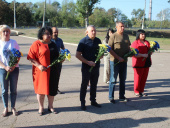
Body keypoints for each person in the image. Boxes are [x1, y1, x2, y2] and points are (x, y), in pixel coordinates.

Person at [27, 27, 60, 115]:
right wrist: (39, 65)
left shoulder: (53, 44)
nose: (49, 35)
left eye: (50, 34)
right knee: (41, 90)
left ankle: (51, 106)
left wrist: (61, 59)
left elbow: (57, 56)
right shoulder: (36, 44)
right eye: (47, 34)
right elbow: (30, 57)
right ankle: (41, 107)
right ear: (41, 35)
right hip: (41, 72)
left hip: (53, 71)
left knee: (52, 89)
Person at [76, 25, 102, 111]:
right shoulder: (83, 41)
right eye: (92, 31)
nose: (94, 32)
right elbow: (78, 55)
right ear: (87, 32)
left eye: (95, 30)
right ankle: (82, 102)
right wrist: (87, 62)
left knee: (94, 84)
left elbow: (100, 53)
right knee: (84, 85)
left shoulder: (98, 40)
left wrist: (101, 55)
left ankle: (93, 101)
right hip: (86, 67)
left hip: (96, 66)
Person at [108, 21, 131, 103]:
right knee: (113, 79)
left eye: (123, 26)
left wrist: (131, 52)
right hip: (115, 61)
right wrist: (118, 57)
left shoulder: (126, 36)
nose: (123, 28)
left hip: (124, 61)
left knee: (123, 79)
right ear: (116, 27)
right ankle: (111, 97)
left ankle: (121, 96)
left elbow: (129, 46)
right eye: (121, 26)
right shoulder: (113, 36)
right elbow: (109, 49)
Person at [0, 25, 20, 117]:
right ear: (1, 33)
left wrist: (13, 65)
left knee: (13, 89)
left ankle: (13, 107)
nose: (6, 33)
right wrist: (5, 67)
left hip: (14, 69)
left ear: (9, 32)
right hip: (3, 70)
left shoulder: (14, 42)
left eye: (7, 31)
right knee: (4, 90)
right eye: (4, 31)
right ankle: (5, 107)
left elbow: (18, 55)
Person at [131, 29, 151, 97]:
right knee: (138, 78)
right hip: (138, 63)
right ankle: (136, 91)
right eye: (142, 34)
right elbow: (133, 54)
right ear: (138, 34)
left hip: (147, 62)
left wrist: (151, 51)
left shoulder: (147, 42)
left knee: (144, 78)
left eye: (144, 34)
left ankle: (141, 91)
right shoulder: (135, 43)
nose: (143, 35)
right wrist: (143, 55)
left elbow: (149, 52)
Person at [51, 27, 65, 94]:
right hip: (51, 61)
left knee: (57, 75)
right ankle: (50, 89)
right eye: (54, 32)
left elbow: (63, 49)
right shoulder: (49, 40)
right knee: (50, 76)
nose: (56, 33)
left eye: (57, 32)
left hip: (58, 61)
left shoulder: (60, 40)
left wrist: (63, 57)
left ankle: (56, 88)